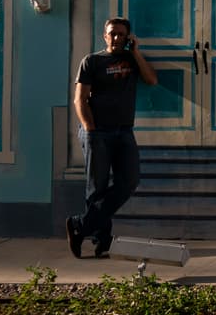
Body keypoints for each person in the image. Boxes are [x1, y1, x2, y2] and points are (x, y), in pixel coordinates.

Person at [66, 17, 158, 258]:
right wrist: (91, 129)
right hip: (98, 131)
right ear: (104, 36)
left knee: (129, 181)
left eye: (121, 34)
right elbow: (80, 99)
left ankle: (80, 225)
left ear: (128, 37)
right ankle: (101, 240)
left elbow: (151, 80)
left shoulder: (131, 60)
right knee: (96, 188)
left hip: (124, 131)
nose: (116, 38)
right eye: (112, 34)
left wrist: (136, 53)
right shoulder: (92, 61)